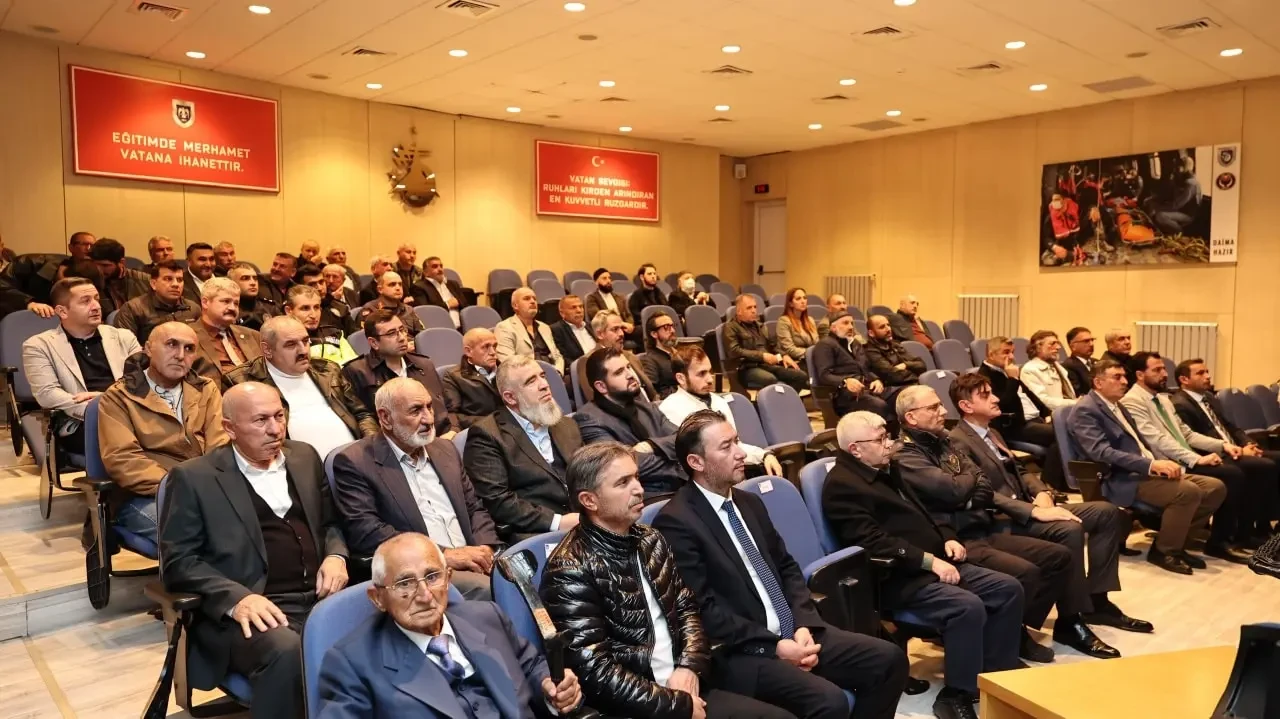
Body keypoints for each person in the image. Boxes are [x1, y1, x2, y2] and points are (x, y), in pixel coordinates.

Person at [654, 410, 910, 719]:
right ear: (696, 462)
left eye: (737, 441)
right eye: (726, 447)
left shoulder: (748, 502)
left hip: (794, 632)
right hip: (742, 649)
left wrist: (802, 623)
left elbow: (787, 567)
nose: (740, 453)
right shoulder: (677, 521)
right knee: (829, 701)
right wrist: (775, 646)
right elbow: (703, 610)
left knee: (889, 660)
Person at [540, 441, 793, 719]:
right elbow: (595, 671)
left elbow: (688, 610)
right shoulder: (569, 567)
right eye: (623, 483)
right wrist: (677, 705)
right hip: (638, 707)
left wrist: (689, 666)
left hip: (687, 685)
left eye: (636, 477)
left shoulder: (650, 538)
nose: (638, 489)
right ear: (589, 501)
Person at [159, 382, 348, 719]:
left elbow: (331, 523)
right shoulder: (194, 478)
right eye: (260, 420)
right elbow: (180, 562)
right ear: (229, 428)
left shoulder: (304, 456)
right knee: (286, 649)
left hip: (321, 598)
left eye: (279, 415)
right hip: (252, 608)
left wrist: (336, 555)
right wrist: (236, 598)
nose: (275, 429)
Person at [822, 411, 1024, 719]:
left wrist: (946, 536)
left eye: (886, 436)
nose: (889, 443)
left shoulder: (886, 468)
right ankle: (957, 692)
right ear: (855, 449)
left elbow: (925, 512)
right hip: (897, 575)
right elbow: (873, 542)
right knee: (966, 606)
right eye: (880, 439)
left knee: (1008, 588)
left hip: (934, 559)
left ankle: (995, 672)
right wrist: (929, 562)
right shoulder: (843, 486)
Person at [947, 372, 1151, 649]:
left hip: (1029, 506)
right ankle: (1070, 619)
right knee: (1068, 528)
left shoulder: (992, 432)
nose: (996, 398)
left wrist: (1041, 492)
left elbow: (1019, 469)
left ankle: (1098, 600)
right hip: (1002, 518)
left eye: (992, 392)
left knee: (1106, 512)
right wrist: (1032, 511)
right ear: (966, 406)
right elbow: (982, 492)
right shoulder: (958, 440)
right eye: (985, 395)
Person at [316, 533, 585, 718]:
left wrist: (552, 689)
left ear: (448, 579)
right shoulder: (351, 662)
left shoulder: (486, 616)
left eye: (432, 577)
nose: (424, 594)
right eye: (405, 583)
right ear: (378, 598)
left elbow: (531, 666)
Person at [894, 385, 1071, 664]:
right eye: (933, 408)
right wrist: (966, 489)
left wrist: (966, 490)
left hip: (979, 524)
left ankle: (1011, 629)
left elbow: (983, 484)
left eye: (941, 405)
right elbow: (952, 490)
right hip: (953, 538)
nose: (943, 412)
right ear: (912, 417)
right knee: (1023, 573)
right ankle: (1005, 640)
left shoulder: (943, 440)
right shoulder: (905, 454)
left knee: (1058, 556)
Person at [331, 379, 498, 598]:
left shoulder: (445, 449)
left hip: (475, 557)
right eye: (416, 411)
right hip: (423, 573)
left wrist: (485, 548)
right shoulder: (355, 462)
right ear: (385, 418)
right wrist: (443, 555)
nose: (429, 419)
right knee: (492, 589)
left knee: (532, 573)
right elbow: (368, 532)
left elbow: (474, 507)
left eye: (429, 406)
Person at [1070, 360, 1226, 575]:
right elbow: (1101, 452)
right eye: (1117, 377)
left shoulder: (1118, 405)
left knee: (1214, 487)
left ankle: (1175, 542)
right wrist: (1151, 464)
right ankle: (1165, 551)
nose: (1125, 381)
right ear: (1098, 382)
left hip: (1144, 470)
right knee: (1187, 492)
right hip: (1120, 477)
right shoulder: (1086, 410)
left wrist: (1161, 461)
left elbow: (1140, 443)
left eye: (1125, 376)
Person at [1120, 352, 1264, 563]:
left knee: (1242, 470)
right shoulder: (1132, 402)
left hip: (1183, 458)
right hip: (1166, 464)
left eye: (1163, 368)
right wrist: (1195, 459)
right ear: (1140, 375)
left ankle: (1190, 539)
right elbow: (1157, 440)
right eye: (1157, 370)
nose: (1164, 373)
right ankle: (1219, 541)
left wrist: (1224, 445)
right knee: (1232, 475)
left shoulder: (1162, 399)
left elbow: (1186, 434)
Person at [97, 321, 227, 545]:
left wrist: (213, 485)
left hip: (205, 489)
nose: (180, 355)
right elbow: (123, 460)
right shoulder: (119, 396)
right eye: (171, 345)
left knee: (253, 520)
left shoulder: (206, 388)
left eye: (189, 349)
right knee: (202, 533)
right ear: (147, 349)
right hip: (145, 496)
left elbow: (221, 443)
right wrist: (181, 487)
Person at [464, 355, 584, 541]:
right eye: (531, 381)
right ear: (510, 397)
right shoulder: (487, 435)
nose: (544, 384)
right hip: (537, 534)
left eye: (542, 376)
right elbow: (497, 501)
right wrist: (557, 522)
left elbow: (589, 472)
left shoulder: (565, 424)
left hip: (585, 520)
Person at [224, 316, 377, 461]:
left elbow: (362, 414)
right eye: (291, 345)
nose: (303, 351)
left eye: (305, 341)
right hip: (296, 473)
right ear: (267, 349)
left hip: (355, 464)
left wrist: (372, 447)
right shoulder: (242, 381)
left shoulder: (328, 369)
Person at [22, 277, 141, 455]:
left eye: (96, 299)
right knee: (127, 439)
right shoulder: (38, 346)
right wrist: (98, 409)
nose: (96, 306)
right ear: (62, 311)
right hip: (81, 422)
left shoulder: (124, 337)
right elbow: (47, 394)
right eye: (86, 301)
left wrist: (109, 400)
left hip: (129, 412)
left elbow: (140, 380)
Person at [1171, 357, 1280, 543]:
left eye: (1207, 372)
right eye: (1200, 373)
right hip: (1212, 454)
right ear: (1184, 380)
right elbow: (1193, 441)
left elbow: (1231, 427)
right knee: (1264, 466)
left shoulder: (1209, 399)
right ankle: (1244, 532)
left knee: (1277, 460)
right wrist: (1236, 451)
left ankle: (1263, 524)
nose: (1207, 376)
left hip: (1235, 449)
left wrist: (1247, 444)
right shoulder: (1180, 403)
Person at [658, 345, 784, 477]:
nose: (710, 379)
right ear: (681, 378)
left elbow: (734, 445)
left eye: (709, 371)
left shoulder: (719, 401)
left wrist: (764, 455)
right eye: (701, 374)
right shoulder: (670, 409)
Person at [575, 347, 686, 497]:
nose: (630, 374)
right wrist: (677, 462)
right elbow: (622, 465)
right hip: (643, 496)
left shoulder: (645, 407)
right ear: (601, 386)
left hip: (679, 487)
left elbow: (683, 438)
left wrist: (650, 446)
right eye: (619, 372)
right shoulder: (589, 419)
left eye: (628, 367)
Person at [343, 310, 454, 438]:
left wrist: (453, 430)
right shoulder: (357, 371)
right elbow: (363, 419)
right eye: (391, 334)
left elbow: (448, 405)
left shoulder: (424, 364)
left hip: (441, 437)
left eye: (402, 330)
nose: (402, 338)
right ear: (374, 343)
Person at [977, 337, 1055, 448]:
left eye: (1012, 352)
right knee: (1062, 433)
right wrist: (1012, 380)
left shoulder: (1007, 369)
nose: (1011, 357)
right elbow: (1001, 405)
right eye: (1006, 352)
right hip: (1014, 426)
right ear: (991, 355)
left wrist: (1047, 414)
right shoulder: (983, 377)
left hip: (1034, 420)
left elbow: (1030, 395)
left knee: (1066, 432)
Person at [810, 311, 889, 420]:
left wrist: (876, 379)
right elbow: (824, 375)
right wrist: (845, 381)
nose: (851, 327)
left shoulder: (855, 344)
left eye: (852, 323)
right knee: (880, 406)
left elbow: (866, 369)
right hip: (844, 395)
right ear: (833, 328)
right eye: (846, 323)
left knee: (899, 399)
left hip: (866, 389)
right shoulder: (825, 345)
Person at [187, 277, 262, 386]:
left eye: (236, 303)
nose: (232, 308)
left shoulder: (253, 335)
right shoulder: (188, 336)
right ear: (205, 302)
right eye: (226, 301)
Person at [724, 294, 808, 391]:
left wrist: (784, 355)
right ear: (739, 311)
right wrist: (762, 356)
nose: (753, 310)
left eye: (755, 307)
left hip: (767, 365)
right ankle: (767, 404)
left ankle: (785, 403)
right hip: (746, 367)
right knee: (770, 379)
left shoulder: (761, 326)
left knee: (800, 376)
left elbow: (774, 345)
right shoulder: (730, 327)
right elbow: (734, 351)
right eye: (749, 308)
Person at [0, 231, 96, 317]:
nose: (89, 249)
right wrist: (28, 302)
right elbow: (3, 286)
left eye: (92, 245)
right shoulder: (29, 263)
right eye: (84, 244)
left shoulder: (93, 271)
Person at [575, 310, 657, 403]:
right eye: (615, 329)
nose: (621, 333)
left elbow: (651, 392)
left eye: (622, 328)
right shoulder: (588, 362)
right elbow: (597, 400)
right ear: (600, 334)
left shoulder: (630, 356)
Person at [113, 260, 199, 344]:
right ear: (153, 284)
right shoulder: (133, 309)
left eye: (179, 280)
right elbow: (126, 348)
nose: (176, 284)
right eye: (168, 279)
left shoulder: (193, 308)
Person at [442, 328, 503, 430]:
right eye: (486, 347)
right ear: (469, 351)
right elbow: (453, 415)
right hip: (480, 430)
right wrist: (492, 421)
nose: (493, 352)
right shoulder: (453, 376)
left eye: (494, 346)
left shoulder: (506, 371)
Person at [495, 287, 564, 373]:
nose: (532, 301)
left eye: (534, 299)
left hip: (552, 373)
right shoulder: (504, 327)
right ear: (515, 305)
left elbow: (557, 355)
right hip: (526, 377)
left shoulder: (544, 327)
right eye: (526, 299)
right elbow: (508, 362)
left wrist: (558, 372)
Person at [285, 285, 358, 365]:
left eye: (316, 307)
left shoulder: (335, 333)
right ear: (289, 311)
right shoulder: (282, 340)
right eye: (305, 308)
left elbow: (353, 365)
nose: (313, 315)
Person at [863, 314, 926, 401]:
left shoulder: (895, 345)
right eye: (882, 327)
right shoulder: (870, 351)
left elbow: (922, 365)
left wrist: (905, 365)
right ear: (871, 333)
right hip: (891, 390)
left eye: (888, 325)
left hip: (910, 385)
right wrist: (914, 373)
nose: (888, 329)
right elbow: (892, 375)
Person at [88, 238, 150, 316]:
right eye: (95, 265)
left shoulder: (145, 281)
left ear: (121, 262)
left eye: (105, 265)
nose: (99, 270)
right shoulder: (89, 281)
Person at [1019, 330, 1077, 413]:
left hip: (1067, 413)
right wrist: (1074, 403)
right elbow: (1042, 401)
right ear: (1038, 347)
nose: (1058, 347)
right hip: (1049, 417)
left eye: (1058, 343)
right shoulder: (1030, 370)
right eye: (1052, 343)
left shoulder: (1059, 368)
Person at [358, 271, 424, 335]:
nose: (398, 288)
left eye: (400, 284)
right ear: (380, 289)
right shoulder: (370, 310)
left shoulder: (408, 309)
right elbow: (366, 339)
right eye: (392, 284)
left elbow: (422, 335)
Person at [411, 255, 468, 328]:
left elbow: (465, 304)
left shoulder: (453, 284)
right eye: (435, 266)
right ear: (425, 272)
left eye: (441, 266)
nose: (440, 269)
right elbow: (426, 311)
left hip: (461, 327)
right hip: (439, 327)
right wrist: (448, 304)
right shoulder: (419, 287)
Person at [227, 262, 280, 331]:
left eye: (255, 278)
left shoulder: (271, 308)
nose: (253, 283)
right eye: (245, 278)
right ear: (232, 283)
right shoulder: (228, 309)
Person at [775, 287, 820, 369]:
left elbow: (817, 343)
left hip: (812, 358)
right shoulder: (784, 321)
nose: (803, 301)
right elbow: (789, 349)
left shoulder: (810, 320)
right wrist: (812, 353)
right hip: (794, 361)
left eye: (804, 298)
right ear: (790, 303)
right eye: (798, 299)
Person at [583, 268, 634, 339]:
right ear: (596, 282)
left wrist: (630, 324)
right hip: (609, 329)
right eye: (604, 278)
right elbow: (599, 317)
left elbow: (628, 315)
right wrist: (620, 324)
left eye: (609, 278)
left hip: (625, 328)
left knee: (642, 330)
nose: (608, 281)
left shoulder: (619, 297)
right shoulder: (592, 298)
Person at [549, 295, 597, 368]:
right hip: (580, 369)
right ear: (562, 313)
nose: (579, 310)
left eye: (581, 306)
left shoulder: (591, 326)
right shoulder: (556, 330)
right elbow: (563, 358)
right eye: (573, 308)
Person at [640, 311, 680, 399]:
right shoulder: (649, 360)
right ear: (654, 334)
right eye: (666, 327)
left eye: (672, 326)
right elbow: (653, 393)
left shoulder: (679, 354)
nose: (673, 331)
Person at [1061, 327, 1095, 398]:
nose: (1091, 344)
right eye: (1086, 341)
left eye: (1092, 340)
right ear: (1073, 346)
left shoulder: (1097, 362)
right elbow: (1077, 394)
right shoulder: (1067, 366)